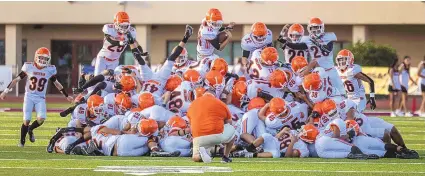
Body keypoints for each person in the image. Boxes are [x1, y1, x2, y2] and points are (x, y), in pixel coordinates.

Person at [0, 47, 73, 147]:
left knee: (41, 118)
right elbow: (16, 80)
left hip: (40, 98)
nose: (43, 60)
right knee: (26, 119)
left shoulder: (49, 70)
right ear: (36, 57)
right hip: (29, 96)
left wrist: (66, 96)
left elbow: (57, 84)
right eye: (41, 58)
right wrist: (5, 91)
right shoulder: (29, 67)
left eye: (45, 59)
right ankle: (22, 141)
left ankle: (30, 129)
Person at [187, 88, 236, 163]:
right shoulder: (220, 103)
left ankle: (200, 155)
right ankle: (225, 157)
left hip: (197, 137)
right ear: (215, 96)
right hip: (216, 136)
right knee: (231, 129)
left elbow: (191, 123)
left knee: (196, 158)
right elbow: (229, 123)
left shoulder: (193, 104)